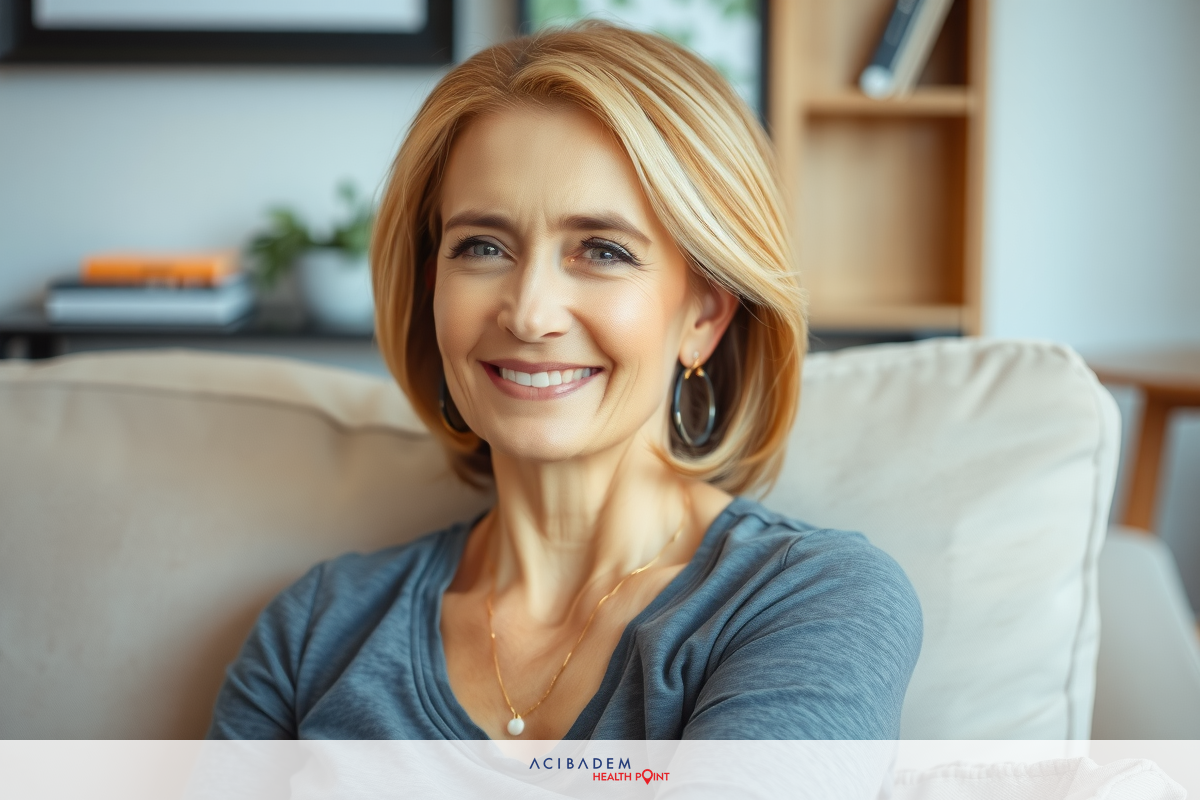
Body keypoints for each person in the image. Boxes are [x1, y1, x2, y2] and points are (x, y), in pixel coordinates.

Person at [207, 22, 921, 741]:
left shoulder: (810, 598)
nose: (529, 313)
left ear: (704, 314)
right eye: (482, 247)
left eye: (602, 251)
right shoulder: (315, 630)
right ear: (432, 289)